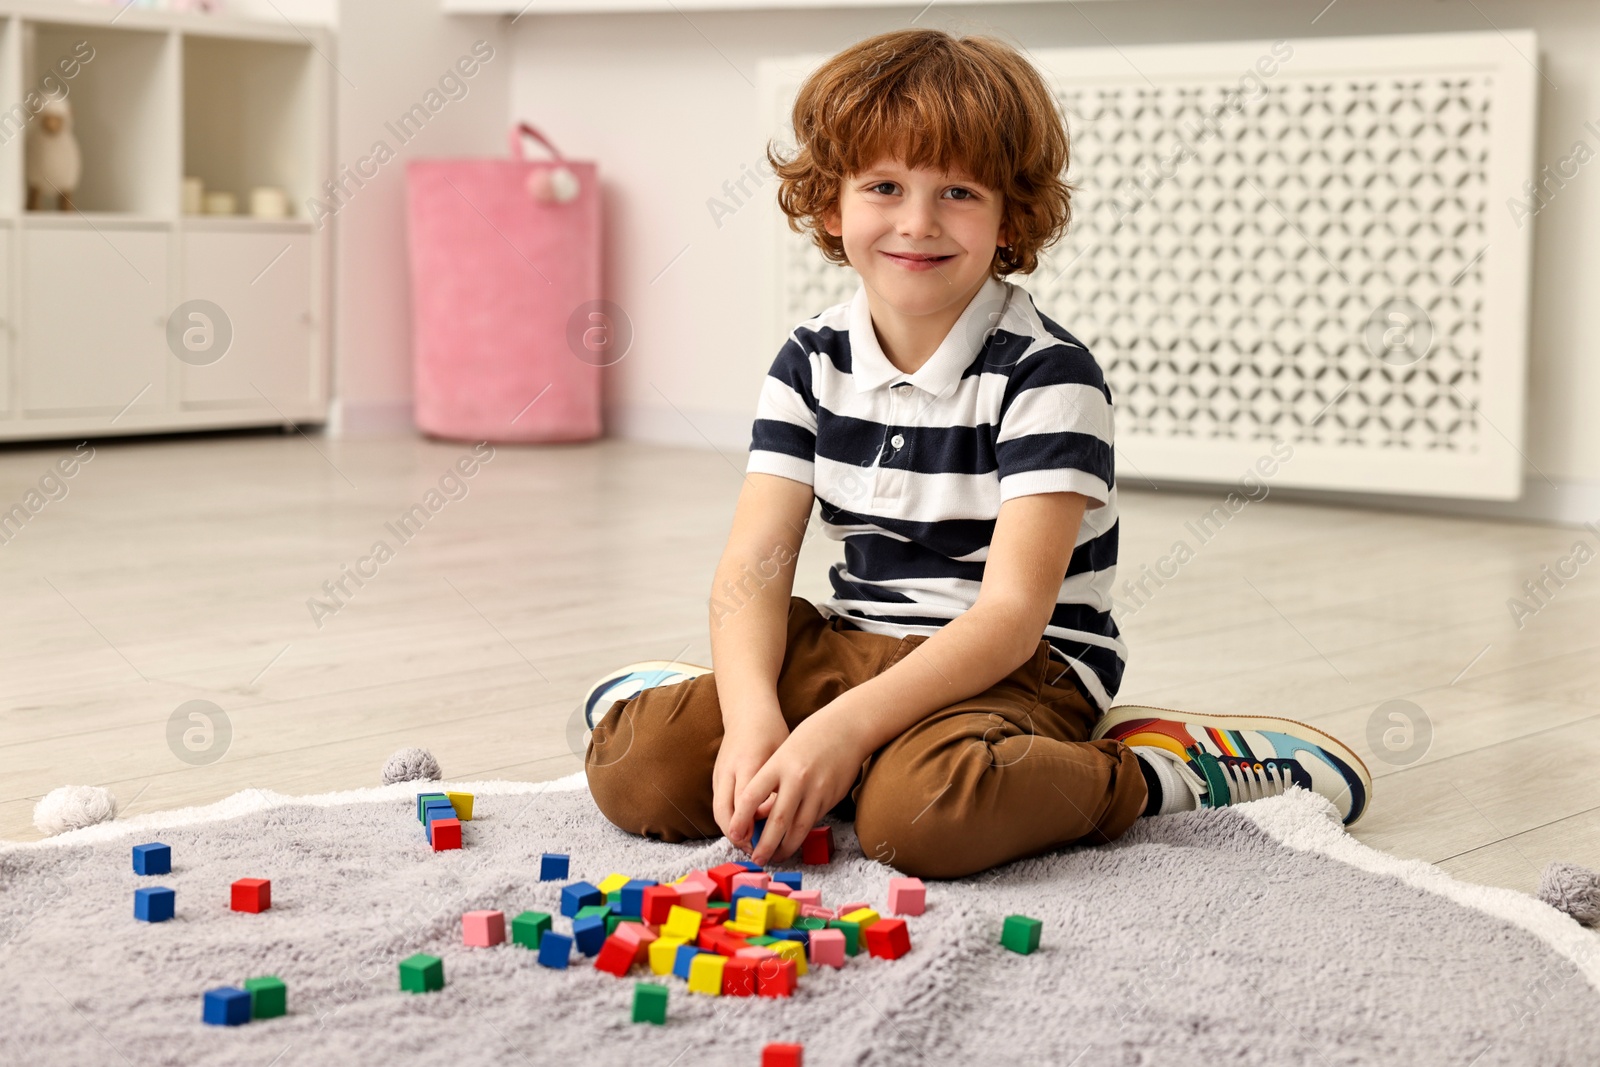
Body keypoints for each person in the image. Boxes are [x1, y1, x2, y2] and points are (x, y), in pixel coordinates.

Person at [583, 27, 1369, 879]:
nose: (916, 222)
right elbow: (756, 565)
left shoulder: (1046, 373)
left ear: (1010, 217)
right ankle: (747, 713)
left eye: (957, 191)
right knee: (637, 770)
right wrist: (746, 716)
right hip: (858, 640)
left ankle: (1155, 769)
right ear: (832, 204)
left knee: (916, 823)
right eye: (884, 185)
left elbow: (1008, 620)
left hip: (1016, 668)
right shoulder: (809, 359)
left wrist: (840, 729)